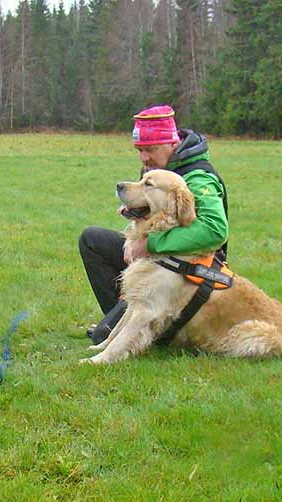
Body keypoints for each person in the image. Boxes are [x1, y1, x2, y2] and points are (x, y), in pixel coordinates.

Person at [78, 105, 229, 344]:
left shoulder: (198, 177)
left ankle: (146, 328)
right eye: (139, 150)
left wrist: (150, 245)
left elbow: (215, 230)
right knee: (92, 240)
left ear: (172, 143)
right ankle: (119, 317)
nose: (143, 157)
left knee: (101, 337)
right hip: (155, 261)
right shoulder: (158, 167)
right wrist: (133, 227)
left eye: (150, 149)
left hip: (185, 271)